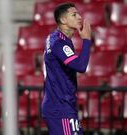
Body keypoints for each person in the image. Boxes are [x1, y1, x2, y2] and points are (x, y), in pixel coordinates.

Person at [41, 2, 92, 135]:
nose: (79, 17)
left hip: (62, 105)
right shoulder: (59, 42)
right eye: (74, 15)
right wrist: (86, 40)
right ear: (63, 20)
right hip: (60, 107)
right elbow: (80, 66)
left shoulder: (57, 38)